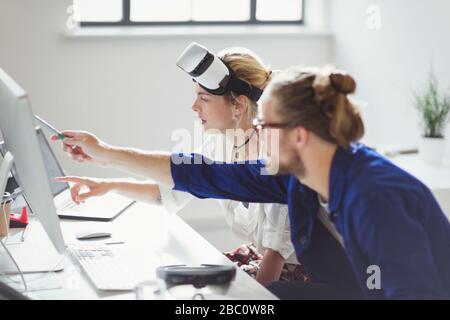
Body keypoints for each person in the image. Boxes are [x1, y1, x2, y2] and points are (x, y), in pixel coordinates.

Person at [54, 65, 450, 299]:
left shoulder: (374, 195)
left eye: (264, 125)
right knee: (220, 301)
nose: (257, 133)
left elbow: (416, 293)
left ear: (299, 134)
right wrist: (104, 152)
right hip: (345, 288)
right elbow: (204, 173)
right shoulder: (297, 174)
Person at [55, 45, 307, 286]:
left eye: (204, 98)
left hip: (292, 279)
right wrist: (107, 185)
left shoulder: (277, 158)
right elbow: (171, 188)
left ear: (238, 105)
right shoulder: (220, 144)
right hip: (260, 263)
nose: (194, 106)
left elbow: (275, 256)